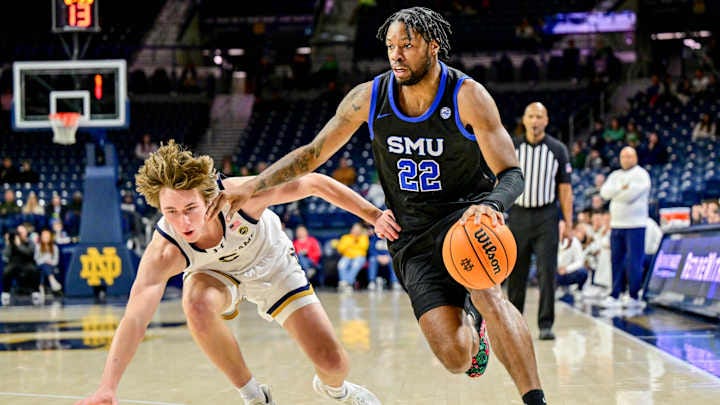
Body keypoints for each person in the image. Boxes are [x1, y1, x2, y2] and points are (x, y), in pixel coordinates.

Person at [206, 7, 546, 404]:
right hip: (412, 236)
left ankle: (535, 399)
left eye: (407, 45)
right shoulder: (370, 97)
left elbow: (512, 174)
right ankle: (474, 327)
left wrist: (492, 205)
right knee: (456, 359)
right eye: (390, 46)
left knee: (490, 294)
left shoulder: (467, 96)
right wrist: (253, 187)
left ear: (434, 47)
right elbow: (313, 153)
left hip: (466, 220)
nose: (396, 55)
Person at [74, 140, 398, 405]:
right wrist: (108, 387)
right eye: (171, 212)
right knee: (195, 302)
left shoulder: (242, 197)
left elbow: (314, 183)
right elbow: (134, 318)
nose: (183, 223)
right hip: (216, 275)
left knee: (333, 363)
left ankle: (335, 389)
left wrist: (372, 215)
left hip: (271, 264)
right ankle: (254, 395)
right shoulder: (164, 249)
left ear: (209, 198)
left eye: (190, 209)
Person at [506, 101, 574, 341]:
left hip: (547, 216)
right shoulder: (511, 148)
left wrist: (569, 223)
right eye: (531, 116)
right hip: (518, 215)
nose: (535, 121)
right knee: (516, 275)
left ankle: (546, 324)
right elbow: (499, 181)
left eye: (539, 116)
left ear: (546, 121)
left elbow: (565, 189)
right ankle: (515, 323)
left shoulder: (558, 149)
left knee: (547, 273)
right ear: (524, 120)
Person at [599, 146, 651, 309]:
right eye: (623, 156)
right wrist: (621, 189)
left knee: (634, 261)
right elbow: (604, 193)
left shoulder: (641, 175)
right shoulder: (615, 175)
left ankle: (634, 294)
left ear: (635, 157)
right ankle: (615, 293)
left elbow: (630, 196)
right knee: (616, 260)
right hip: (617, 225)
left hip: (635, 225)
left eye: (629, 156)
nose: (626, 159)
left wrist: (617, 193)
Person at [2, 224, 41, 306]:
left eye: (22, 232)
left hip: (27, 263)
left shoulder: (30, 242)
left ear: (26, 233)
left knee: (35, 270)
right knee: (6, 271)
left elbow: (29, 253)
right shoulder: (11, 243)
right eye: (19, 232)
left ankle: (36, 293)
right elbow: (5, 255)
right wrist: (8, 243)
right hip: (14, 264)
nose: (20, 234)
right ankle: (6, 293)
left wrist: (19, 245)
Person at [335, 222, 369, 292]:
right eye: (355, 229)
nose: (356, 231)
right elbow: (340, 249)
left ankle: (348, 283)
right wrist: (353, 243)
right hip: (347, 256)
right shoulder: (345, 237)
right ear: (351, 229)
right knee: (341, 264)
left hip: (359, 257)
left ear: (361, 230)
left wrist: (350, 247)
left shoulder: (363, 238)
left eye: (358, 229)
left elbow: (364, 248)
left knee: (355, 264)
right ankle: (344, 282)